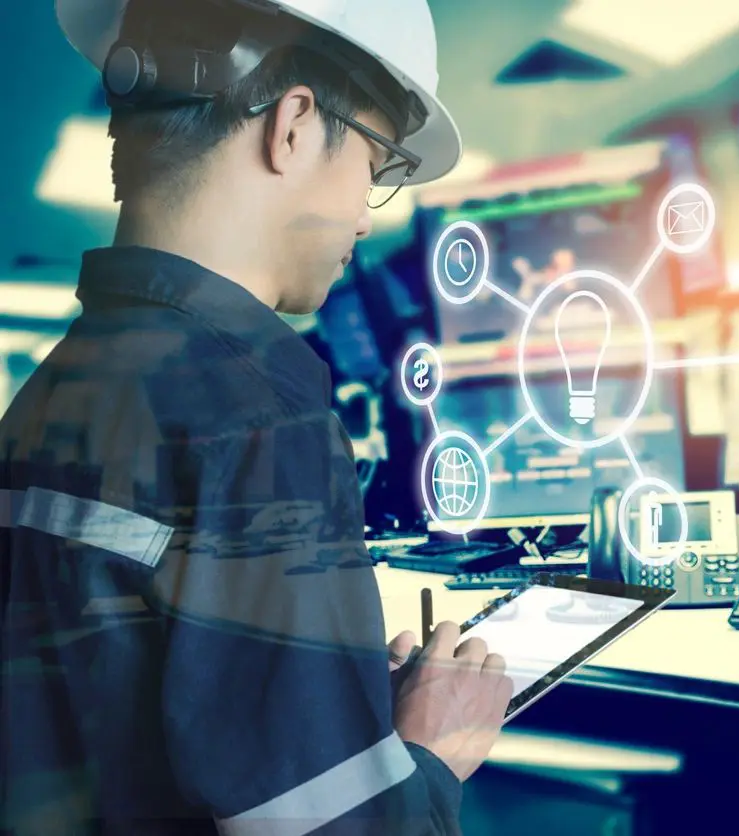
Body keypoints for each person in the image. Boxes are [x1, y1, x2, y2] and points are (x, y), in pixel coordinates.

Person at [0, 0, 510, 833]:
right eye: (375, 165)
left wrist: (330, 710)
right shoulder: (260, 420)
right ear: (296, 126)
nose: (365, 214)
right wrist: (428, 754)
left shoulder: (51, 394)